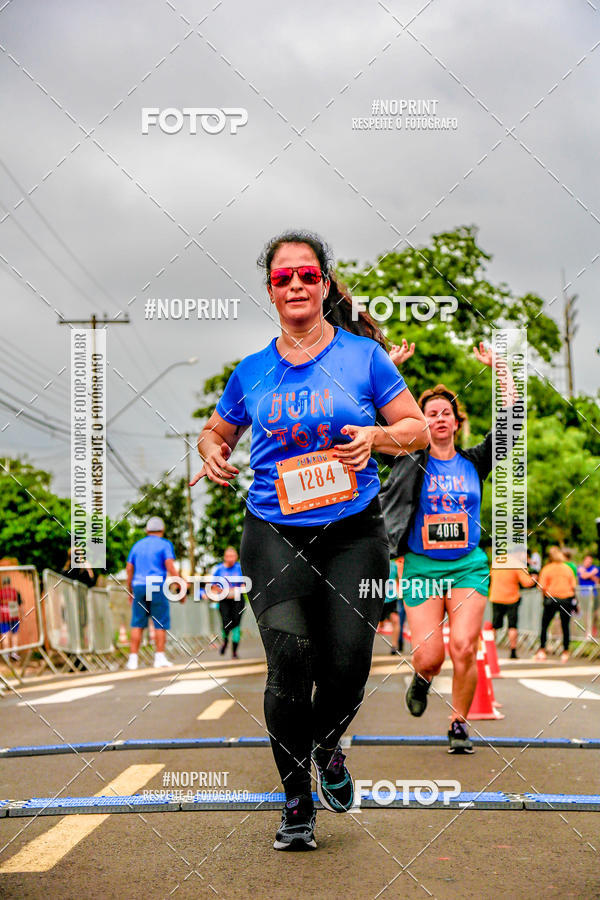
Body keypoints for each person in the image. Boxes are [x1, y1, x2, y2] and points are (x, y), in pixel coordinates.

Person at [191, 230, 428, 851]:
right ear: (270, 290)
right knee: (289, 660)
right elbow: (215, 432)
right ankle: (297, 800)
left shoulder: (363, 358)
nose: (295, 285)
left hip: (353, 532)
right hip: (273, 530)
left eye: (306, 276)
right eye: (282, 278)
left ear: (324, 284)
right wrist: (215, 451)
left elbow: (416, 431)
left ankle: (328, 748)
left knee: (348, 667)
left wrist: (373, 439)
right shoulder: (251, 371)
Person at [381, 342, 520, 753]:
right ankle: (421, 681)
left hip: (468, 566)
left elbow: (512, 422)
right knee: (429, 657)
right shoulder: (408, 458)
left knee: (464, 647)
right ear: (421, 423)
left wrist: (500, 370)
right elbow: (366, 421)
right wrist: (387, 367)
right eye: (431, 414)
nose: (439, 419)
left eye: (446, 413)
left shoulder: (475, 461)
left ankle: (459, 722)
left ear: (456, 422)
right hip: (422, 568)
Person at [125, 516, 184, 670]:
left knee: (137, 623)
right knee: (160, 622)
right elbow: (170, 566)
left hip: (138, 585)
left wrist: (129, 589)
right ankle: (159, 657)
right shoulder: (165, 544)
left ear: (147, 530)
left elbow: (129, 569)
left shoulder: (137, 545)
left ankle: (133, 660)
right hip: (156, 584)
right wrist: (180, 587)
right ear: (162, 531)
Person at [534, 546, 577, 662]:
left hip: (551, 599)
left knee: (545, 625)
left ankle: (542, 650)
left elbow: (542, 586)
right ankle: (565, 652)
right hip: (566, 599)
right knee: (565, 626)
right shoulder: (567, 569)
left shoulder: (547, 569)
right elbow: (573, 586)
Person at [489, 557, 535, 659]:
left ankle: (490, 650)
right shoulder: (517, 564)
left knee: (495, 626)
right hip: (512, 599)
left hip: (496, 597)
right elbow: (526, 582)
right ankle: (513, 651)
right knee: (512, 626)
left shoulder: (497, 562)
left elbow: (491, 576)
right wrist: (534, 578)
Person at [209, 546, 246, 658]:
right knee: (226, 624)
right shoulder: (219, 569)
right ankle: (225, 642)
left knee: (236, 624)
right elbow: (213, 586)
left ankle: (234, 652)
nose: (230, 558)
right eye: (228, 556)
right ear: (225, 557)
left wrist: (237, 590)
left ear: (236, 557)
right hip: (224, 600)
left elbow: (246, 584)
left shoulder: (240, 568)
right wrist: (220, 590)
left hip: (238, 600)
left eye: (232, 556)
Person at [0, 574, 22, 660]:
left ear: (3, 583)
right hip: (14, 616)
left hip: (3, 617)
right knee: (14, 634)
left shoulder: (0, 593)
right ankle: (14, 653)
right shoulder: (15, 592)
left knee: (5, 635)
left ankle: (5, 654)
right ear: (9, 583)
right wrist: (22, 614)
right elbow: (19, 604)